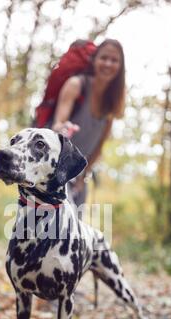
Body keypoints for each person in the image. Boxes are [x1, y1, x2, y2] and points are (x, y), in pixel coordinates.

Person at [48, 38, 125, 207]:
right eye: (104, 58)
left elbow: (99, 146)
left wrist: (84, 175)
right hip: (56, 169)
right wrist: (63, 128)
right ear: (94, 60)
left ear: (120, 67)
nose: (108, 64)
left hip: (79, 176)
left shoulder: (111, 104)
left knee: (75, 229)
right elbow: (57, 124)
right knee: (56, 227)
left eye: (114, 60)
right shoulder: (76, 85)